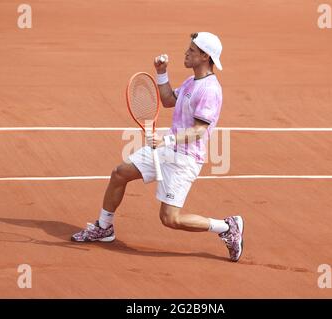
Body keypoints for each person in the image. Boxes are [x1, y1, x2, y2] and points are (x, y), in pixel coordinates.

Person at [71, 32, 244, 262]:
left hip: (185, 158)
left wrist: (168, 140)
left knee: (170, 219)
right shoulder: (192, 81)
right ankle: (104, 227)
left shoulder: (210, 90)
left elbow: (199, 130)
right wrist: (161, 73)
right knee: (119, 173)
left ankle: (225, 227)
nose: (186, 52)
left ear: (205, 56)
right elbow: (168, 101)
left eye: (192, 50)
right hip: (167, 149)